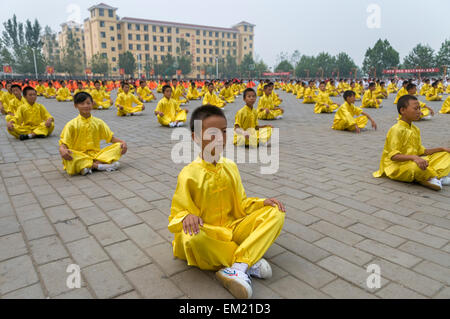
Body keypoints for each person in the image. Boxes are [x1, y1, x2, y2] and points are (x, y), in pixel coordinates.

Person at [168, 105, 286, 299]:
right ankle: (248, 259)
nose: (220, 139)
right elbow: (177, 214)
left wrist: (263, 203)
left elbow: (242, 204)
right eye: (212, 134)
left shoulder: (230, 166)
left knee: (276, 212)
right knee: (191, 238)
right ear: (195, 137)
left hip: (233, 227)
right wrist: (187, 216)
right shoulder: (189, 174)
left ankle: (237, 266)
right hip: (209, 233)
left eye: (223, 132)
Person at [373, 95, 450, 191]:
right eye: (415, 109)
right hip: (397, 166)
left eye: (419, 108)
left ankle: (429, 177)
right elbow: (393, 156)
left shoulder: (415, 129)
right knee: (415, 167)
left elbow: (422, 151)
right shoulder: (396, 129)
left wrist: (442, 149)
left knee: (446, 155)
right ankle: (434, 177)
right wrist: (414, 158)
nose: (419, 111)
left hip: (414, 161)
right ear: (402, 110)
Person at [59, 92, 128, 176]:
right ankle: (100, 166)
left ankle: (88, 166)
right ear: (75, 106)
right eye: (82, 103)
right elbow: (64, 143)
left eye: (88, 103)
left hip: (96, 155)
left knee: (118, 147)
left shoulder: (98, 122)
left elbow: (111, 138)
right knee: (70, 155)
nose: (85, 106)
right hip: (80, 155)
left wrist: (123, 143)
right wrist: (62, 150)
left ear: (92, 104)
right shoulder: (71, 124)